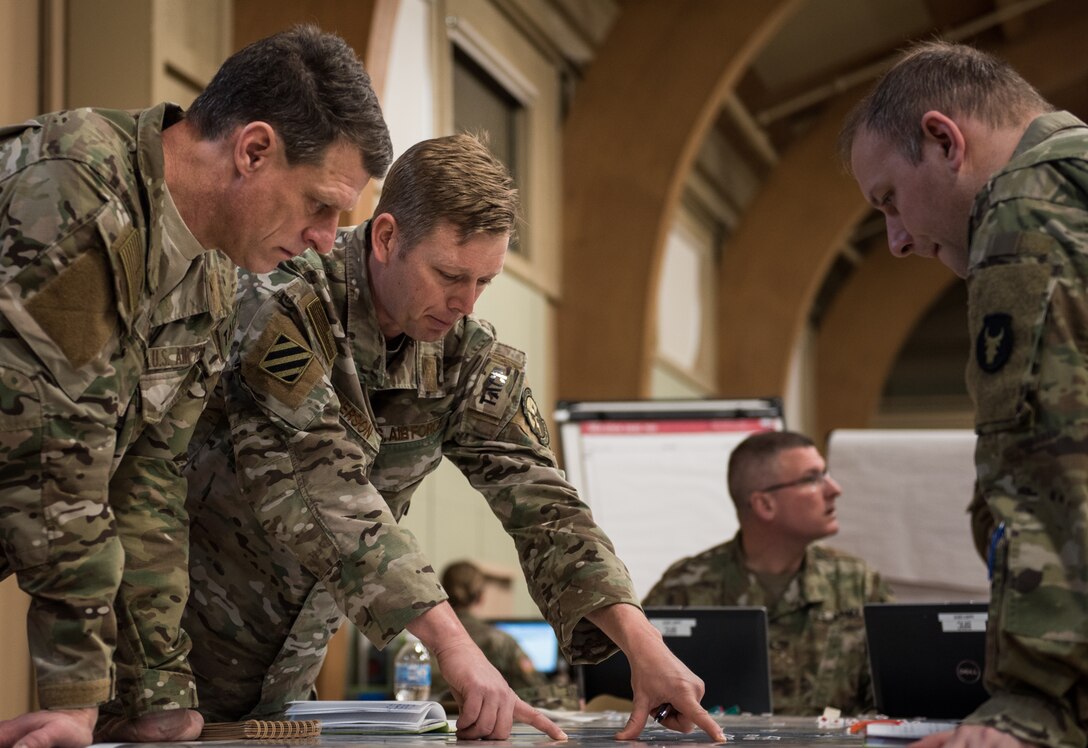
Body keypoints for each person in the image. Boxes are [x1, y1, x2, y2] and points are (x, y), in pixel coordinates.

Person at [180, 133, 726, 743]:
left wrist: (642, 644)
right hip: (164, 660)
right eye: (448, 275)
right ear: (386, 238)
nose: (464, 304)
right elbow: (324, 491)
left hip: (285, 682)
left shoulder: (465, 354)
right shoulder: (283, 305)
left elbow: (544, 505)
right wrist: (455, 645)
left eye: (484, 283)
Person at [0, 24, 391, 748]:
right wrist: (77, 692)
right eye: (320, 205)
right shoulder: (77, 185)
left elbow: (147, 479)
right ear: (253, 150)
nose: (326, 238)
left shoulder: (210, 273)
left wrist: (156, 690)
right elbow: (54, 461)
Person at [840, 40, 1088, 748]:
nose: (895, 241)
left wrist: (1036, 701)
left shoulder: (1025, 207)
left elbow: (1052, 469)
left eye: (889, 201)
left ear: (944, 140)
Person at [643, 430, 891, 715]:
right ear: (764, 504)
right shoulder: (685, 586)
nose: (834, 489)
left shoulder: (858, 582)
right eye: (812, 479)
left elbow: (895, 695)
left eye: (826, 474)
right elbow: (633, 685)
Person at [430, 561, 549, 698]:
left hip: (428, 716)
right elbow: (538, 689)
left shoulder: (419, 639)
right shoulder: (499, 641)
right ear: (481, 596)